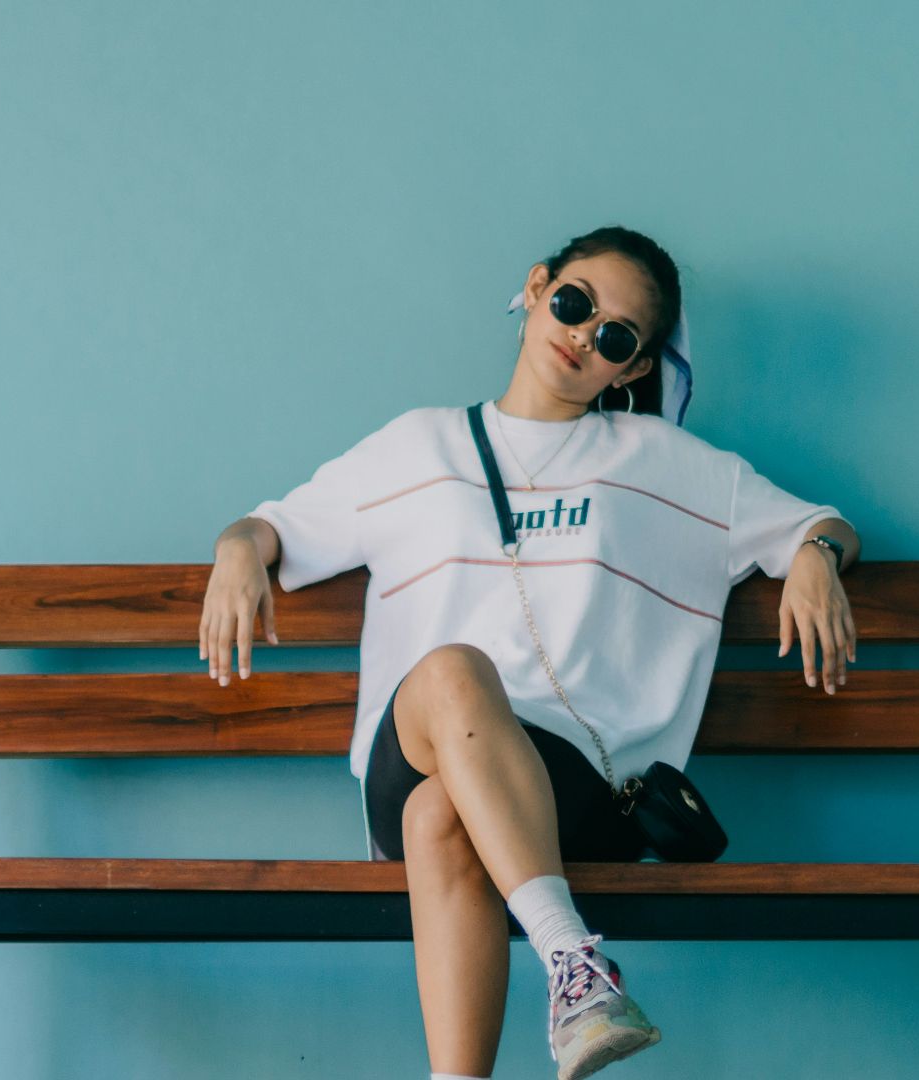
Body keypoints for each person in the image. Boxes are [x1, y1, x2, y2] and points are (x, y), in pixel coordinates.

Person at [199, 225, 861, 1080]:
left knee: (445, 814)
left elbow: (821, 523)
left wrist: (814, 554)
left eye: (616, 337)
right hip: (414, 750)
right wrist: (237, 550)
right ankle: (575, 969)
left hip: (579, 793)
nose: (584, 335)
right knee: (452, 673)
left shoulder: (667, 465)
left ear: (630, 369)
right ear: (539, 286)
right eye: (576, 303)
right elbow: (273, 527)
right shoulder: (417, 447)